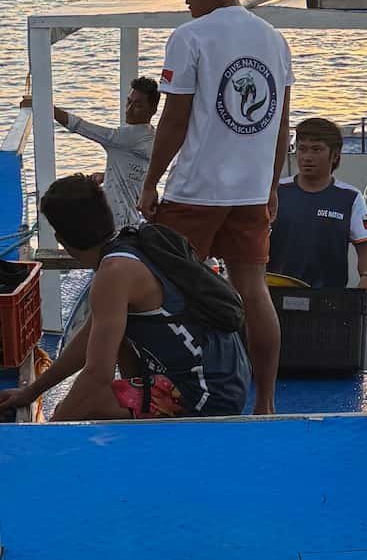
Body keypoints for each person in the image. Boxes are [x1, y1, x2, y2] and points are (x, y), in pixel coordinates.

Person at [138, 0, 293, 415]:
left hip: (197, 191)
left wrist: (150, 181)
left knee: (163, 289)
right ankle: (265, 404)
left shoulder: (191, 37)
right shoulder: (274, 38)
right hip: (249, 192)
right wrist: (269, 187)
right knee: (254, 290)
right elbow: (281, 125)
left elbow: (174, 121)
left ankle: (169, 396)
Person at [0, 175, 249, 421]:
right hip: (227, 378)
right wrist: (30, 393)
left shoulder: (113, 273)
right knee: (111, 339)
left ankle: (144, 418)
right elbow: (88, 341)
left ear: (60, 239)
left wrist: (49, 437)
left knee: (85, 403)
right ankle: (139, 406)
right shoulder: (134, 243)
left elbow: (97, 377)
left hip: (208, 398)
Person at [21, 77, 159, 230]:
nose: (129, 110)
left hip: (120, 224)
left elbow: (80, 126)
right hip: (135, 220)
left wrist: (43, 105)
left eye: (138, 105)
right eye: (129, 102)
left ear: (152, 109)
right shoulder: (152, 136)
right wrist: (107, 176)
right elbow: (139, 172)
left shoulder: (125, 137)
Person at [268, 117, 367, 298]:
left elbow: (366, 249)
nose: (307, 157)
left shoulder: (350, 198)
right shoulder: (275, 192)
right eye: (302, 149)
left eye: (316, 149)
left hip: (329, 297)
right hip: (275, 293)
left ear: (335, 155)